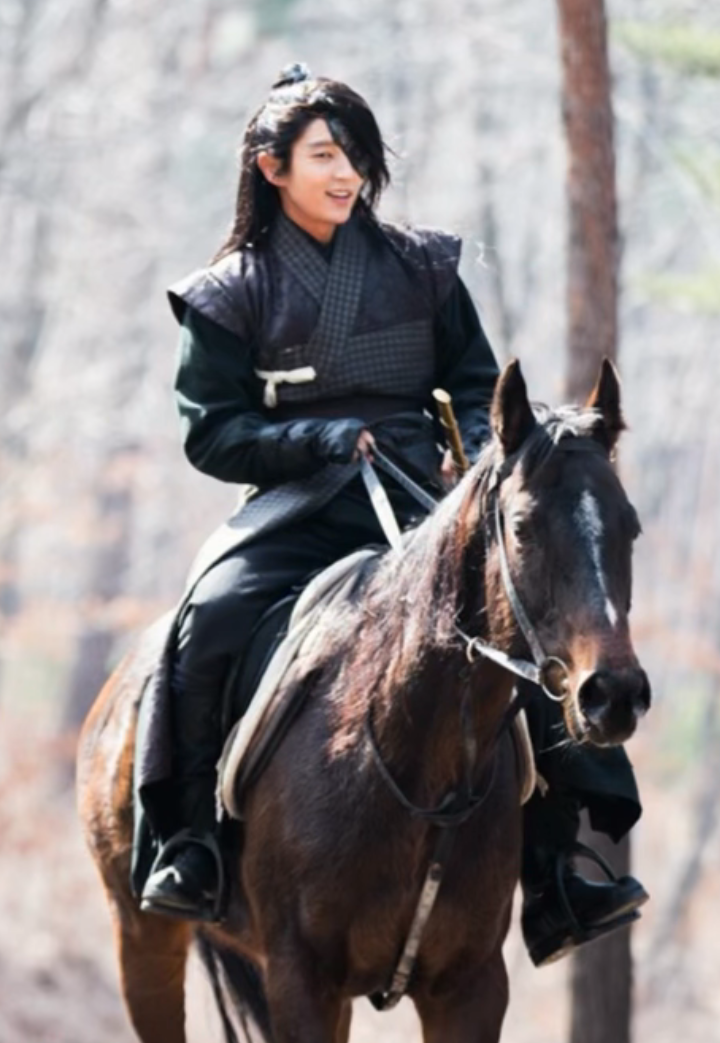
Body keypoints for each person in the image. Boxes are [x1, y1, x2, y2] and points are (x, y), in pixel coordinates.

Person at [140, 62, 647, 965]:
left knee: (524, 623)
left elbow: (478, 383)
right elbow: (212, 435)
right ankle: (188, 845)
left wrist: (470, 453)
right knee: (205, 623)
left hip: (424, 501)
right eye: (326, 156)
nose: (347, 176)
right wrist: (317, 439)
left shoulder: (423, 267)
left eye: (357, 158)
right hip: (295, 507)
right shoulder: (228, 293)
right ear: (271, 167)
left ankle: (562, 868)